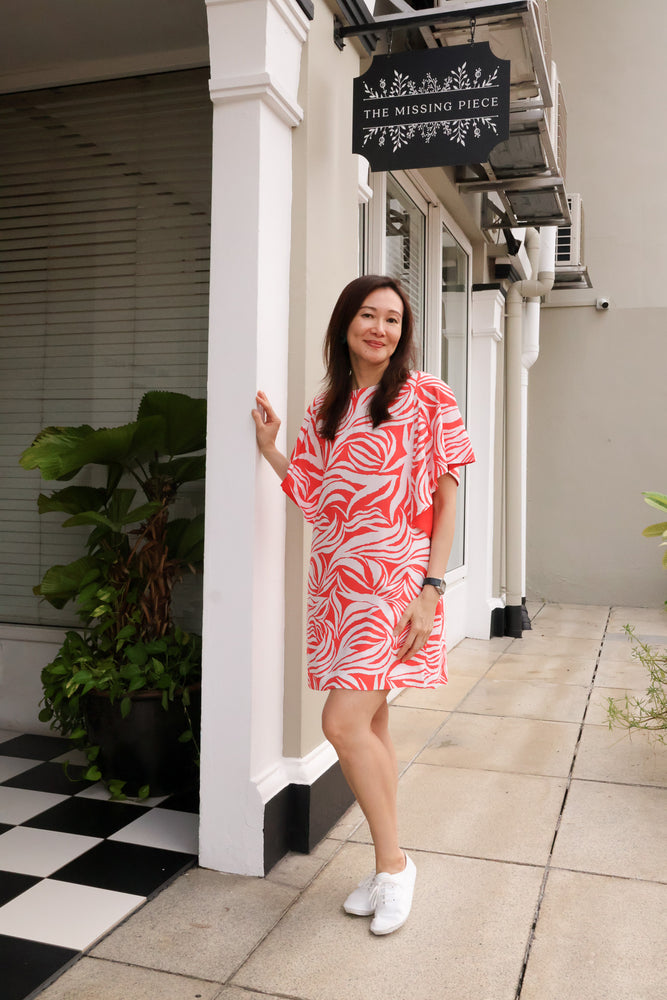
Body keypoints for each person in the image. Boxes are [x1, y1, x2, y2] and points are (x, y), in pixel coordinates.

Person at [252, 274, 474, 935]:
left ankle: (395, 864)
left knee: (341, 725)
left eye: (393, 320)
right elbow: (316, 501)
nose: (380, 329)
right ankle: (387, 870)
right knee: (369, 728)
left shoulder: (427, 395)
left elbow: (447, 497)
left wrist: (430, 591)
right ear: (345, 322)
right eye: (369, 316)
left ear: (403, 335)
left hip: (395, 580)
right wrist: (270, 451)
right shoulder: (326, 406)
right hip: (337, 584)